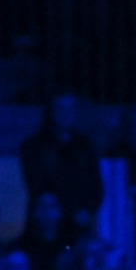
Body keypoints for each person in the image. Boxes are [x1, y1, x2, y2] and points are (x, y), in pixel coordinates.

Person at [20, 92, 104, 236]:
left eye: (70, 109)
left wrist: (88, 210)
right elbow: (37, 185)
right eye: (60, 108)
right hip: (46, 225)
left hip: (79, 224)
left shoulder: (85, 145)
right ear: (51, 111)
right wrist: (68, 210)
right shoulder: (33, 146)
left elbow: (95, 184)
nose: (66, 114)